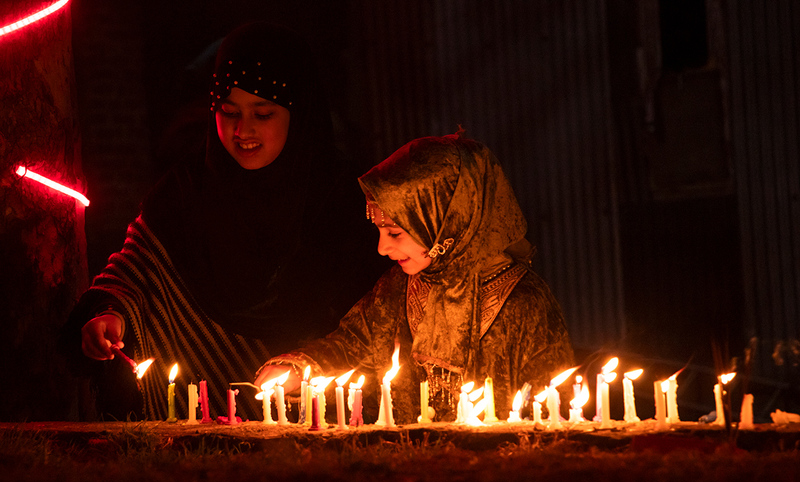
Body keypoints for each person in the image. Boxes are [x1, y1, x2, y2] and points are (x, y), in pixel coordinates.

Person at [59, 22, 386, 421]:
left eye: (262, 113)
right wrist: (112, 316)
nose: (241, 130)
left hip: (325, 433)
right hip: (191, 440)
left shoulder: (345, 204)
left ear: (298, 114)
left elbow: (377, 323)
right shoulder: (184, 194)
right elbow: (135, 277)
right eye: (227, 111)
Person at [255, 133, 574, 423]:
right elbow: (350, 348)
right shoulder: (398, 288)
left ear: (447, 221)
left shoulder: (524, 303)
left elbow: (553, 412)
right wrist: (297, 369)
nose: (382, 247)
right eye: (379, 230)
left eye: (394, 232)